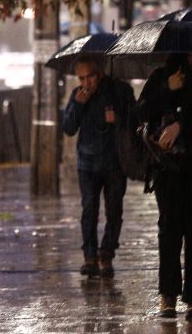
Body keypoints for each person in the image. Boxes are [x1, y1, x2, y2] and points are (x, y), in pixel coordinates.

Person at [137, 53, 192, 319]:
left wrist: (181, 126)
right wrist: (168, 89)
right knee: (169, 230)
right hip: (168, 169)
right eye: (191, 54)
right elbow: (141, 112)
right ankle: (168, 296)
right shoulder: (162, 77)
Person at [62, 56, 136, 278]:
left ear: (100, 73)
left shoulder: (120, 91)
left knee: (114, 210)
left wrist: (118, 118)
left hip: (114, 162)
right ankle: (90, 256)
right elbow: (68, 128)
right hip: (87, 162)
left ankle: (107, 253)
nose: (86, 83)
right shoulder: (78, 96)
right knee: (89, 209)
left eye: (90, 77)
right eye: (82, 78)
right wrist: (78, 104)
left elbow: (136, 119)